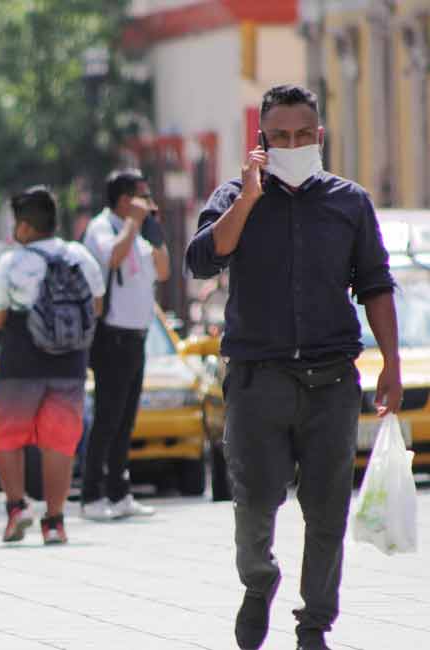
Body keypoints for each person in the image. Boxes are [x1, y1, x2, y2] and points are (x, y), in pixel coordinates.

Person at [185, 85, 400, 650]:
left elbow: (376, 285)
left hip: (332, 380)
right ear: (260, 142)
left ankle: (313, 626)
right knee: (255, 504)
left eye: (303, 135)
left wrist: (392, 364)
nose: (293, 145)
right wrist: (249, 198)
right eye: (280, 137)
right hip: (260, 380)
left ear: (320, 137)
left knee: (327, 511)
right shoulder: (235, 197)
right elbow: (202, 261)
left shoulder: (348, 202)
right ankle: (259, 585)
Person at [0, 186, 105, 545]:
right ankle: (54, 522)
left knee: (7, 436)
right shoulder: (79, 257)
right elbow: (97, 307)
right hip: (70, 362)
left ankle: (17, 508)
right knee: (59, 441)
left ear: (24, 226)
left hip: (21, 359)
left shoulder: (12, 262)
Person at [79, 169, 171, 521]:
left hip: (137, 336)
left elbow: (162, 271)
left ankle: (119, 493)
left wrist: (154, 230)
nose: (148, 202)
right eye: (142, 196)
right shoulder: (102, 228)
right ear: (123, 200)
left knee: (126, 419)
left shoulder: (140, 233)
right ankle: (91, 496)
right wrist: (133, 224)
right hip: (112, 336)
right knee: (107, 418)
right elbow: (112, 259)